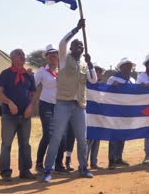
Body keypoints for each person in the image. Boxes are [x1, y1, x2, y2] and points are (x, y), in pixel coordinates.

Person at [42, 19, 98, 183]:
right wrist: (77, 29)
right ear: (71, 48)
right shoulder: (64, 59)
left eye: (81, 46)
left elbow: (93, 80)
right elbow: (62, 42)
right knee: (57, 136)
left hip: (80, 105)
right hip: (63, 103)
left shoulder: (83, 65)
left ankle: (83, 167)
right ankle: (48, 170)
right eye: (76, 45)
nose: (79, 47)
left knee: (82, 138)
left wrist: (90, 64)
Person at [0, 49, 37, 181]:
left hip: (25, 116)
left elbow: (34, 94)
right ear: (12, 58)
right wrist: (9, 103)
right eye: (20, 55)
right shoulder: (6, 74)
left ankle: (25, 170)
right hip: (9, 116)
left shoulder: (29, 75)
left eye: (24, 55)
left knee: (25, 144)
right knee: (6, 144)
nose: (23, 57)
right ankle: (5, 172)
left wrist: (31, 107)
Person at [33, 45, 69, 174]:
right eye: (51, 54)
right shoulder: (42, 71)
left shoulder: (63, 70)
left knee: (62, 136)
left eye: (55, 54)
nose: (53, 56)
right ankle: (39, 164)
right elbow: (32, 85)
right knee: (48, 134)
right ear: (47, 57)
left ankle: (59, 164)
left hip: (61, 105)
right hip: (46, 105)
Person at [106, 57, 136, 170]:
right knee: (114, 135)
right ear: (121, 66)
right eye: (127, 65)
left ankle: (119, 158)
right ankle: (111, 160)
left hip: (127, 111)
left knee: (122, 135)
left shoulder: (133, 80)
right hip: (115, 112)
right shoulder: (113, 79)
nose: (129, 67)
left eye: (130, 65)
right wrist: (112, 87)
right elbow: (105, 93)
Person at [86, 63, 105, 169]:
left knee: (97, 139)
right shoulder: (87, 84)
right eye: (97, 71)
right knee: (89, 139)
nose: (98, 73)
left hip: (99, 116)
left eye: (100, 72)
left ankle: (94, 162)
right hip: (89, 115)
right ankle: (84, 162)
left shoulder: (102, 86)